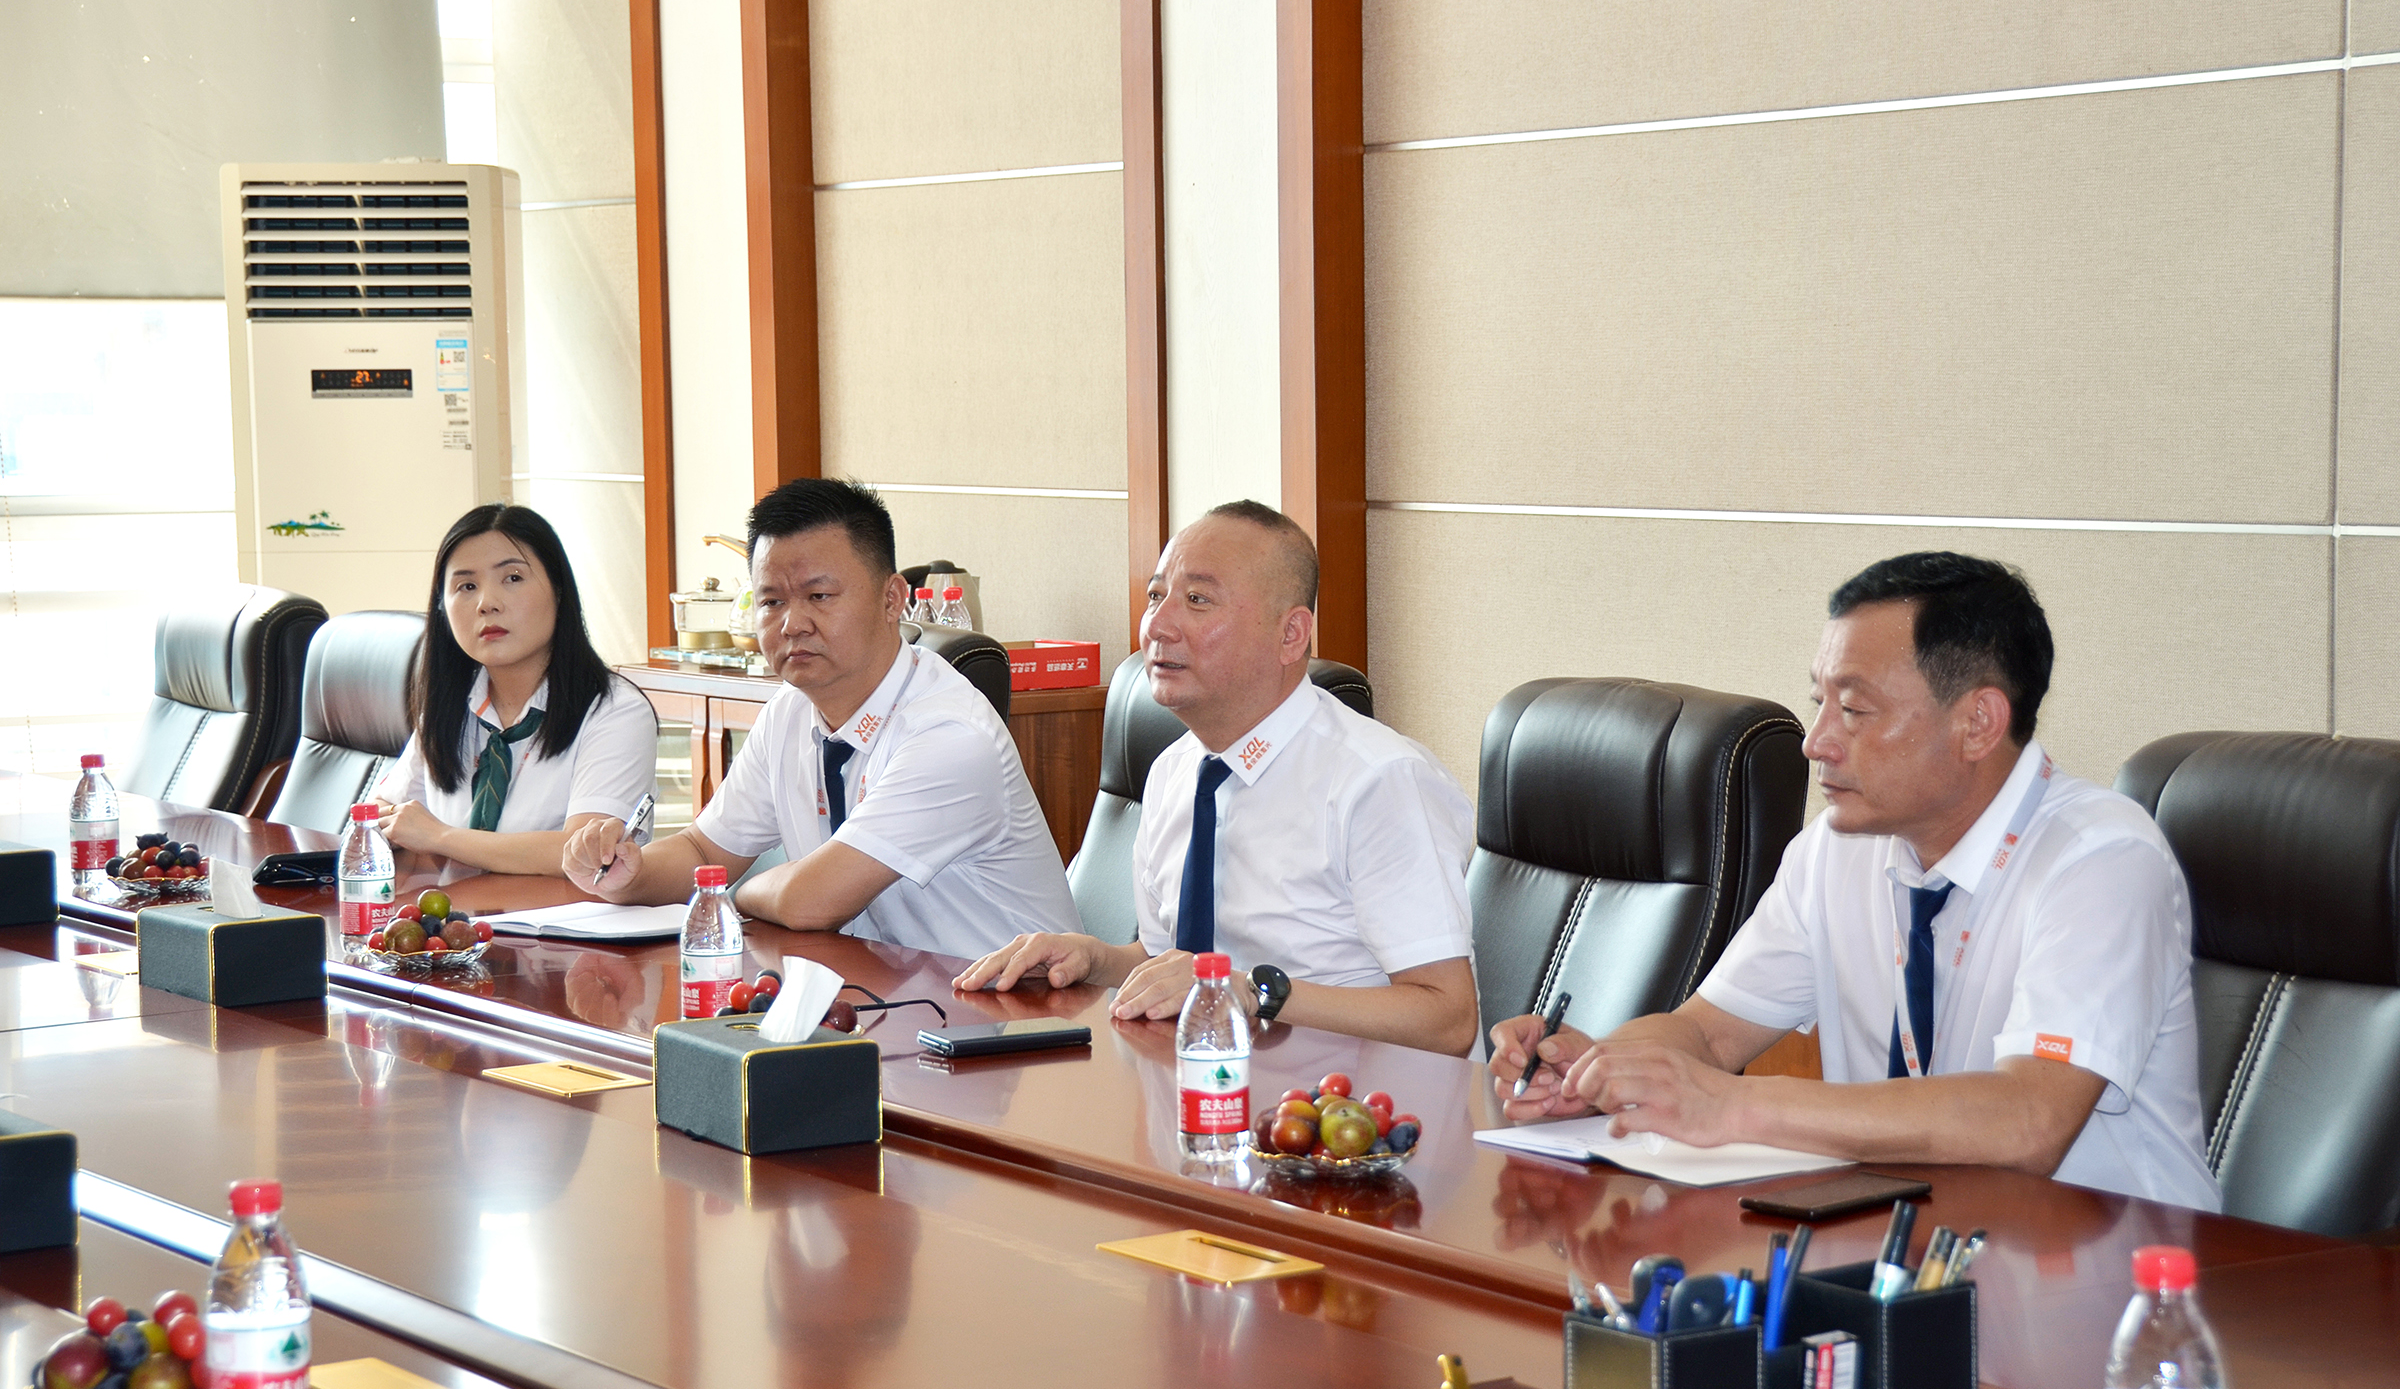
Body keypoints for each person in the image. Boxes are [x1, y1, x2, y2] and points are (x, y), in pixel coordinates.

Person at [1489, 552, 2220, 1210]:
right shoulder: (1837, 849)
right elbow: (1707, 1034)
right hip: (1905, 1247)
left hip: (2116, 1280)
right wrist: (1603, 1072)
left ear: (1978, 723)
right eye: (1820, 703)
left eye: (1855, 709)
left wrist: (1735, 1107)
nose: (1816, 743)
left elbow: (2030, 1119)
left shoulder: (2100, 860)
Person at [956, 500, 1479, 1057]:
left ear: (1291, 634)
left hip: (1346, 1104)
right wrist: (1092, 957)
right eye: (1156, 595)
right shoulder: (1175, 770)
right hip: (1202, 1089)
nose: (1157, 626)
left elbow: (1447, 1019)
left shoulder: (1379, 782)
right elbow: (1170, 962)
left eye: (1197, 600)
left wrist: (1252, 991)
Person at [562, 478, 1077, 957]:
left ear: (892, 599)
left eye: (819, 596)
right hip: (884, 992)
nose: (792, 624)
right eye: (771, 601)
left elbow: (811, 903)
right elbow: (702, 850)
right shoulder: (789, 712)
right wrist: (628, 874)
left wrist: (739, 892)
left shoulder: (949, 734)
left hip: (1015, 1010)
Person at [373, 505, 659, 875]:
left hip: (561, 912)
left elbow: (588, 854)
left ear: (558, 590)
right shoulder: (451, 706)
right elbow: (382, 814)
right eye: (466, 586)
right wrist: (405, 829)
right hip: (456, 911)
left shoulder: (615, 711)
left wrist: (441, 837)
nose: (487, 603)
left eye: (512, 578)